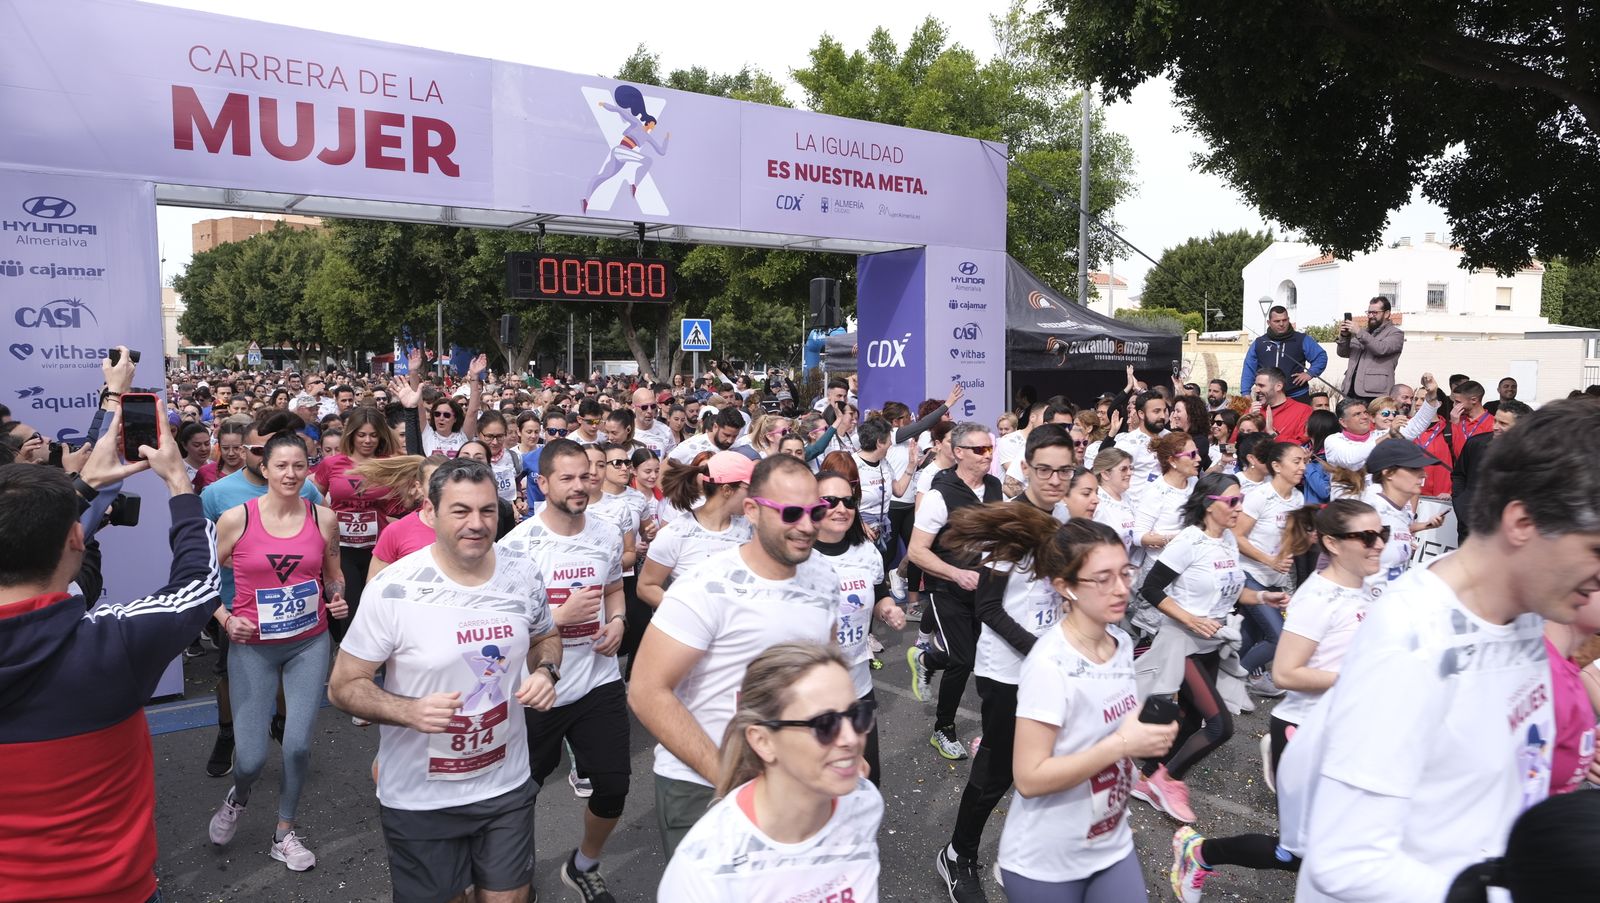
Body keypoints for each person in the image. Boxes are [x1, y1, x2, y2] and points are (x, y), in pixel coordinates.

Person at [1281, 399, 1600, 902]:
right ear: (1523, 523)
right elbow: (1345, 861)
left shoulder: (1531, 614)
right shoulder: (1416, 639)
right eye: (1596, 549)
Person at [0, 399, 222, 903]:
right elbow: (200, 584)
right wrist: (178, 485)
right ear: (78, 538)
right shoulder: (113, 642)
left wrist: (84, 487)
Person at [329, 459, 562, 903]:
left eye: (488, 511)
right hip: (422, 797)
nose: (477, 524)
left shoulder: (522, 572)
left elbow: (546, 634)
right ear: (431, 512)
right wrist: (407, 710)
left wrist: (546, 670)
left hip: (504, 783)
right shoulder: (394, 588)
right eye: (460, 511)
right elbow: (343, 685)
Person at [1169, 499, 1384, 900]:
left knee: (1344, 848)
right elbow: (1285, 673)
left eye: (1382, 534)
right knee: (1299, 854)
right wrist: (1356, 678)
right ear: (1334, 544)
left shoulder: (1371, 591)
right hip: (1304, 732)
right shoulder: (1318, 598)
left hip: (1349, 732)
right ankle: (1199, 852)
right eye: (1368, 537)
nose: (1379, 545)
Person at [628, 455, 838, 859]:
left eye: (816, 511)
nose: (808, 525)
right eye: (791, 512)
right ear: (753, 511)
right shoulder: (704, 586)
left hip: (791, 779)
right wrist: (729, 776)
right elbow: (646, 691)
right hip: (702, 784)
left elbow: (826, 680)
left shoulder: (825, 579)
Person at [1000, 517, 1180, 902]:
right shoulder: (1049, 665)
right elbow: (1029, 779)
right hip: (1046, 863)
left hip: (1111, 843)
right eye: (1102, 578)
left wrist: (1147, 735)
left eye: (1125, 573)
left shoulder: (1119, 642)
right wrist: (1119, 745)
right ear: (1065, 587)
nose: (1121, 589)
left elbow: (1117, 725)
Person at [207, 431, 347, 871]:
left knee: (298, 747)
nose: (291, 473)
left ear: (309, 469)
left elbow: (334, 573)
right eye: (281, 465)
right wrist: (227, 619)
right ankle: (239, 796)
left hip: (309, 641)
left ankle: (284, 831)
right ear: (263, 468)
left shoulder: (323, 518)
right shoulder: (235, 519)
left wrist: (336, 597)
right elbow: (200, 584)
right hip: (253, 647)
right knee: (249, 759)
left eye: (299, 465)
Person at [498, 440, 630, 901]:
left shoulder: (607, 533)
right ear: (543, 482)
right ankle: (513, 877)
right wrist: (560, 618)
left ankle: (584, 865)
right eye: (567, 478)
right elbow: (504, 631)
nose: (579, 486)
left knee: (613, 786)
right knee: (520, 793)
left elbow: (614, 587)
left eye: (584, 476)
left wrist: (617, 620)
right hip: (539, 689)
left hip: (598, 680)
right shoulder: (516, 546)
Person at [656, 643, 882, 901]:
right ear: (763, 741)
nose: (851, 738)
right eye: (824, 724)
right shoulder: (706, 868)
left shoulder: (864, 804)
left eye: (857, 715)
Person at [1132, 473, 1288, 823]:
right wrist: (1189, 619)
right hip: (1181, 643)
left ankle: (1145, 780)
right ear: (1209, 504)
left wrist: (1263, 596)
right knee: (1220, 726)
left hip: (1212, 642)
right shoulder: (1188, 541)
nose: (1239, 508)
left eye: (1241, 500)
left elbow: (1234, 592)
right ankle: (1168, 781)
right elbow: (1152, 589)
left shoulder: (1228, 541)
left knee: (1190, 721)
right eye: (1232, 501)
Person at [200, 411, 326, 778]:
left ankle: (285, 727)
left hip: (298, 620)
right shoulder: (217, 495)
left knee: (289, 673)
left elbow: (320, 543)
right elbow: (199, 562)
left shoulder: (306, 491)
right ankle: (228, 734)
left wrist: (331, 591)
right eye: (254, 450)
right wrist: (221, 613)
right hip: (239, 611)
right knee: (228, 675)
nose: (258, 456)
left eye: (296, 463)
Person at [905, 423, 1002, 761]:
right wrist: (956, 573)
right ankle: (943, 729)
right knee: (963, 659)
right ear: (958, 453)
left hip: (985, 589)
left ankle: (927, 658)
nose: (988, 455)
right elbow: (917, 551)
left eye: (990, 448)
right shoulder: (939, 494)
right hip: (946, 588)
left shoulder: (994, 486)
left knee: (981, 655)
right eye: (980, 450)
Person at [812, 470, 903, 785]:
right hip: (811, 693)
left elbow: (879, 594)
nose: (841, 508)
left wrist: (888, 609)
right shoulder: (797, 555)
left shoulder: (866, 551)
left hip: (858, 685)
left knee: (866, 779)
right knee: (820, 784)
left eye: (848, 501)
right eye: (830, 500)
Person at [312, 407, 405, 641]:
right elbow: (314, 499)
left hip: (380, 548)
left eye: (373, 435)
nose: (368, 440)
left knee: (379, 607)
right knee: (350, 610)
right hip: (342, 548)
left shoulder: (390, 463)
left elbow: (401, 504)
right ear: (351, 434)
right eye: (362, 434)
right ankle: (348, 660)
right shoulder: (332, 464)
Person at [1232, 441, 1309, 697]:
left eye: (1304, 461)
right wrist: (1269, 560)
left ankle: (1235, 678)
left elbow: (1291, 540)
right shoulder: (1259, 496)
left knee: (1248, 637)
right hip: (1249, 575)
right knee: (1279, 638)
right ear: (1276, 466)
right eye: (1296, 461)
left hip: (1275, 579)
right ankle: (1234, 679)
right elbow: (1237, 536)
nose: (1302, 467)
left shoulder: (1298, 498)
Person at [635, 451, 753, 608]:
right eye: (750, 488)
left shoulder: (752, 530)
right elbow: (646, 587)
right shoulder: (675, 533)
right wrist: (691, 614)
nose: (754, 496)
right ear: (726, 490)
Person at [1361, 441, 1447, 596]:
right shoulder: (1370, 509)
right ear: (1388, 473)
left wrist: (1426, 526)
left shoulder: (1400, 508)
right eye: (1414, 468)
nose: (1423, 474)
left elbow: (1395, 529)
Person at [1323, 373, 1442, 471]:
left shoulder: (1379, 435)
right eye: (1357, 414)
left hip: (1379, 498)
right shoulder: (1333, 440)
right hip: (1348, 499)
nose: (1364, 417)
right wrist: (1389, 435)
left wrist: (1431, 395)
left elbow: (1417, 424)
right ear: (1343, 422)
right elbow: (1351, 459)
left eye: (1365, 412)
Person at [1453, 399, 1532, 542]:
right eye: (1495, 421)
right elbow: (1459, 475)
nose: (1495, 427)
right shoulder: (1475, 444)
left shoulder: (1530, 456)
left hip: (1505, 535)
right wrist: (1460, 505)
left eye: (1503, 424)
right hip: (1469, 528)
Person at [1242, 306, 1328, 402]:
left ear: (1288, 320)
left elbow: (1321, 357)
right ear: (1269, 322)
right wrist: (1245, 392)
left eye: (1284, 320)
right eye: (1277, 321)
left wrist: (1310, 373)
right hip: (1267, 398)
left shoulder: (1301, 339)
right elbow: (1249, 368)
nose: (1281, 324)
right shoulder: (1259, 343)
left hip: (1297, 396)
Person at [1337, 296, 1405, 403]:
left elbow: (1380, 349)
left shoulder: (1395, 333)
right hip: (1350, 391)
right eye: (1369, 312)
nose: (1370, 316)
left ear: (1386, 314)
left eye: (1375, 313)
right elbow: (1343, 353)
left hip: (1375, 395)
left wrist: (1359, 332)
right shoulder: (1364, 333)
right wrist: (1344, 336)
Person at [1113, 391, 1168, 492]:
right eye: (1156, 411)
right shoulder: (1126, 443)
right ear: (1141, 414)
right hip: (1136, 504)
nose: (1163, 416)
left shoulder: (1171, 438)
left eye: (1164, 411)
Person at [1248, 367, 1313, 446]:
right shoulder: (1252, 410)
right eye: (1256, 385)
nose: (1256, 390)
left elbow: (1304, 447)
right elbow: (1234, 443)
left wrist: (1272, 434)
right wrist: (1249, 420)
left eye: (1261, 386)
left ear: (1278, 386)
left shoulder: (1303, 411)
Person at [195, 420, 249, 491]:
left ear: (245, 446)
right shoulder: (205, 472)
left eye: (236, 448)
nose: (231, 453)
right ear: (219, 447)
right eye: (225, 448)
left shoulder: (254, 473)